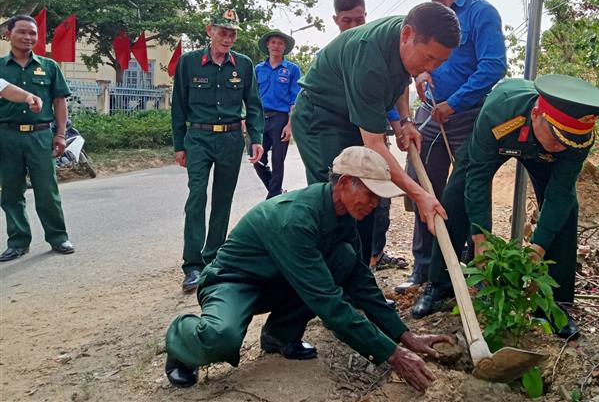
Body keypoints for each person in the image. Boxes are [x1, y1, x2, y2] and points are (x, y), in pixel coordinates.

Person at [164, 146, 454, 392]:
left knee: (344, 258)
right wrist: (391, 355)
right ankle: (181, 342)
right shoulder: (296, 220)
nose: (375, 204)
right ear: (344, 183)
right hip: (234, 282)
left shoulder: (343, 214)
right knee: (221, 338)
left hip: (278, 278)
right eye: (370, 193)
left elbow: (360, 280)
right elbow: (328, 303)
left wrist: (404, 336)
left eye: (379, 197)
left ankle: (280, 335)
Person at [411, 75, 599, 340]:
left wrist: (537, 249)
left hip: (541, 158)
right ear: (535, 114)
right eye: (556, 139)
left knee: (566, 210)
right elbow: (478, 177)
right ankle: (440, 284)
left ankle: (554, 305)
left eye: (566, 143)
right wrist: (481, 239)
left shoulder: (576, 137)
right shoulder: (500, 112)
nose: (561, 147)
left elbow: (559, 194)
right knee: (456, 193)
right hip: (498, 140)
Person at [291, 2, 460, 243]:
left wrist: (405, 121)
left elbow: (402, 77)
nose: (430, 68)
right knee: (339, 197)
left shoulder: (416, 28)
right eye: (429, 58)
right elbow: (374, 145)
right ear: (407, 35)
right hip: (322, 118)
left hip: (353, 115)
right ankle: (326, 272)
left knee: (370, 190)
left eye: (439, 62)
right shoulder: (369, 58)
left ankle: (361, 269)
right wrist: (420, 194)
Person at [395, 0, 506, 294]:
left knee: (469, 191)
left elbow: (493, 66)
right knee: (424, 186)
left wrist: (454, 103)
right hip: (430, 112)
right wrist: (421, 78)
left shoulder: (481, 13)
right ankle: (425, 268)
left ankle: (472, 266)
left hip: (468, 116)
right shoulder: (427, 16)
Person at [171, 10, 264, 293]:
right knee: (197, 196)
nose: (228, 38)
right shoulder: (189, 63)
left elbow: (254, 104)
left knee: (223, 200)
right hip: (198, 137)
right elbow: (178, 106)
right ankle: (192, 265)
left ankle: (212, 260)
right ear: (210, 31)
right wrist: (179, 145)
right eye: (223, 32)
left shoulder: (244, 65)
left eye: (233, 33)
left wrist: (256, 138)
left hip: (231, 139)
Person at [331, 0, 407, 270]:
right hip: (338, 129)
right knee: (346, 198)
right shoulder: (344, 54)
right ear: (336, 20)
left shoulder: (377, 50)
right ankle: (343, 271)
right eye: (347, 21)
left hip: (370, 130)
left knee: (378, 200)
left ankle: (371, 260)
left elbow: (390, 92)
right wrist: (414, 191)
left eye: (359, 20)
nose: (354, 27)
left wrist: (402, 124)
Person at [0, 15, 74, 262]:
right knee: (11, 191)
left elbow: (60, 102)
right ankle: (18, 241)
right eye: (22, 32)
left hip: (41, 135)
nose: (28, 37)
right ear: (9, 34)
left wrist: (61, 134)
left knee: (47, 190)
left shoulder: (49, 66)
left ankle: (58, 237)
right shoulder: (0, 68)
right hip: (6, 136)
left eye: (33, 33)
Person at [253, 28, 301, 198]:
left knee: (278, 161)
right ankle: (276, 191)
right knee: (257, 159)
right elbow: (251, 97)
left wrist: (290, 125)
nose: (276, 46)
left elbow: (295, 99)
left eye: (280, 43)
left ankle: (272, 197)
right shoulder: (258, 69)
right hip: (260, 119)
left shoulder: (292, 70)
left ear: (284, 47)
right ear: (267, 45)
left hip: (281, 119)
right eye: (273, 42)